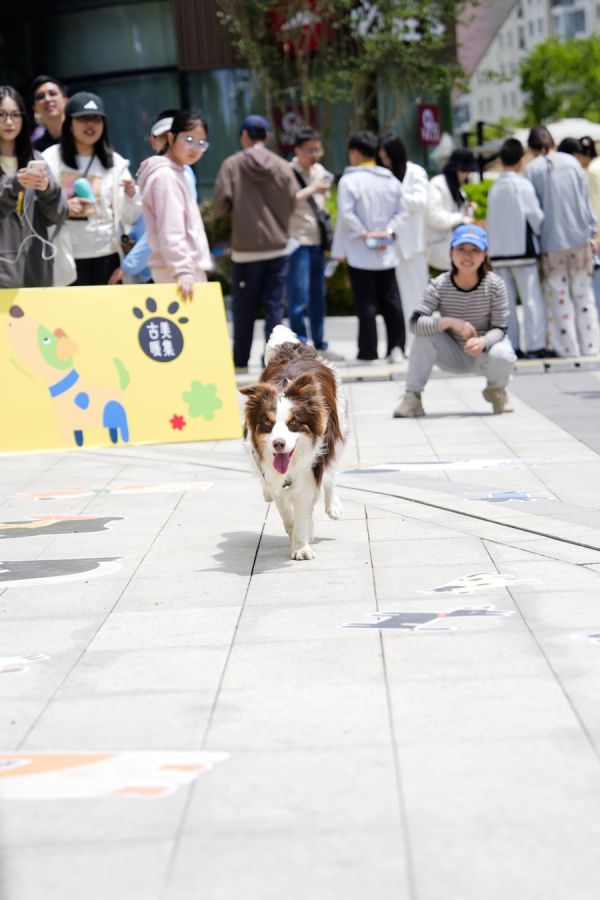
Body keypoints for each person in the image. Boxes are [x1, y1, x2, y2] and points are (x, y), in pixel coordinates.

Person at [393, 224, 516, 418]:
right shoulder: (439, 284)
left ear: (484, 254)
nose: (467, 256)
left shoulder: (495, 285)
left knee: (504, 354)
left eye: (474, 250)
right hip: (452, 353)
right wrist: (449, 322)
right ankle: (413, 396)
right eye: (461, 249)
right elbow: (414, 323)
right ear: (451, 252)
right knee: (424, 335)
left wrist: (483, 342)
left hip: (484, 352)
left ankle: (496, 390)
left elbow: (500, 328)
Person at [212, 114, 298, 372]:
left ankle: (240, 361)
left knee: (244, 310)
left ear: (244, 136)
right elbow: (293, 201)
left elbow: (219, 206)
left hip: (245, 251)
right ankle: (272, 361)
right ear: (267, 136)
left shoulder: (232, 165)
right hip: (277, 249)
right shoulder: (282, 166)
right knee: (274, 309)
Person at [43, 91, 141, 286]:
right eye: (83, 119)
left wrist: (131, 196)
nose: (90, 125)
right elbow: (36, 206)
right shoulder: (50, 159)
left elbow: (130, 217)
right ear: (69, 123)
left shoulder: (116, 163)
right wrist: (63, 207)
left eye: (96, 119)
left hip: (107, 255)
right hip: (65, 257)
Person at [330, 130, 406, 363]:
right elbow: (402, 213)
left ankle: (368, 351)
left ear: (354, 153)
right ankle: (397, 348)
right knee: (391, 300)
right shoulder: (390, 179)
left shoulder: (349, 180)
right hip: (386, 249)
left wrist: (365, 234)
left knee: (366, 302)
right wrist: (387, 232)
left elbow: (346, 214)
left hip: (360, 251)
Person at [525, 125, 599, 357]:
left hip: (551, 241)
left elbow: (532, 210)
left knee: (558, 295)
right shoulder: (572, 163)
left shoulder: (532, 169)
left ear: (531, 147)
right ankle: (591, 345)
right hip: (580, 237)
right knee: (583, 292)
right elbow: (585, 202)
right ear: (553, 142)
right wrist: (591, 231)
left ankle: (568, 348)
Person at [109, 109, 199, 286]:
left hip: (169, 272)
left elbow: (161, 230)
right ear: (153, 141)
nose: (169, 142)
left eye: (174, 136)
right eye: (164, 137)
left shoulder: (171, 174)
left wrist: (127, 267)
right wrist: (132, 197)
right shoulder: (165, 171)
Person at [138, 108, 211, 299]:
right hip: (179, 277)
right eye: (189, 140)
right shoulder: (166, 176)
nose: (195, 148)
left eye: (201, 143)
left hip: (183, 272)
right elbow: (171, 230)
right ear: (171, 138)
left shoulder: (177, 173)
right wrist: (182, 271)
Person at [0, 84, 66, 288]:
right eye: (1, 115)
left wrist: (47, 190)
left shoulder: (36, 159)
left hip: (36, 272)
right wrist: (14, 185)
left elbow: (58, 215)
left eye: (15, 115)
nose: (9, 122)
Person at [487, 137, 546, 359]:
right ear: (521, 160)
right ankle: (535, 345)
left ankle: (512, 343)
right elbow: (536, 218)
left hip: (499, 253)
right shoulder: (522, 185)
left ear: (501, 160)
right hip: (522, 251)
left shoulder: (494, 188)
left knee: (506, 303)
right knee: (531, 300)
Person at [287, 128, 342, 360]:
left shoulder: (320, 171)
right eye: (310, 150)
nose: (315, 154)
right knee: (298, 297)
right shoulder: (288, 172)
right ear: (297, 150)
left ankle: (320, 343)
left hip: (318, 241)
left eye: (318, 150)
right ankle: (300, 345)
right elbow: (284, 202)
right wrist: (312, 189)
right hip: (297, 242)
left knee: (318, 296)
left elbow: (323, 202)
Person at [377, 132, 429, 351]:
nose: (386, 162)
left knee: (418, 296)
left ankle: (421, 344)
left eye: (388, 157)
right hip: (390, 248)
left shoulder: (416, 172)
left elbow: (421, 201)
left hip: (413, 247)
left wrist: (397, 194)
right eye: (382, 158)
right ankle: (401, 343)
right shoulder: (383, 175)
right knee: (396, 299)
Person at [425, 147, 477, 271]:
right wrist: (461, 218)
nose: (466, 175)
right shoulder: (437, 184)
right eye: (465, 171)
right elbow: (433, 216)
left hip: (455, 250)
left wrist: (469, 210)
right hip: (440, 251)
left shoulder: (457, 188)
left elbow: (462, 214)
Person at [30, 75, 67, 153]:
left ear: (65, 100)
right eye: (40, 97)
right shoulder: (35, 150)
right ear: (35, 108)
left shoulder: (82, 138)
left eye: (52, 94)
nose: (47, 99)